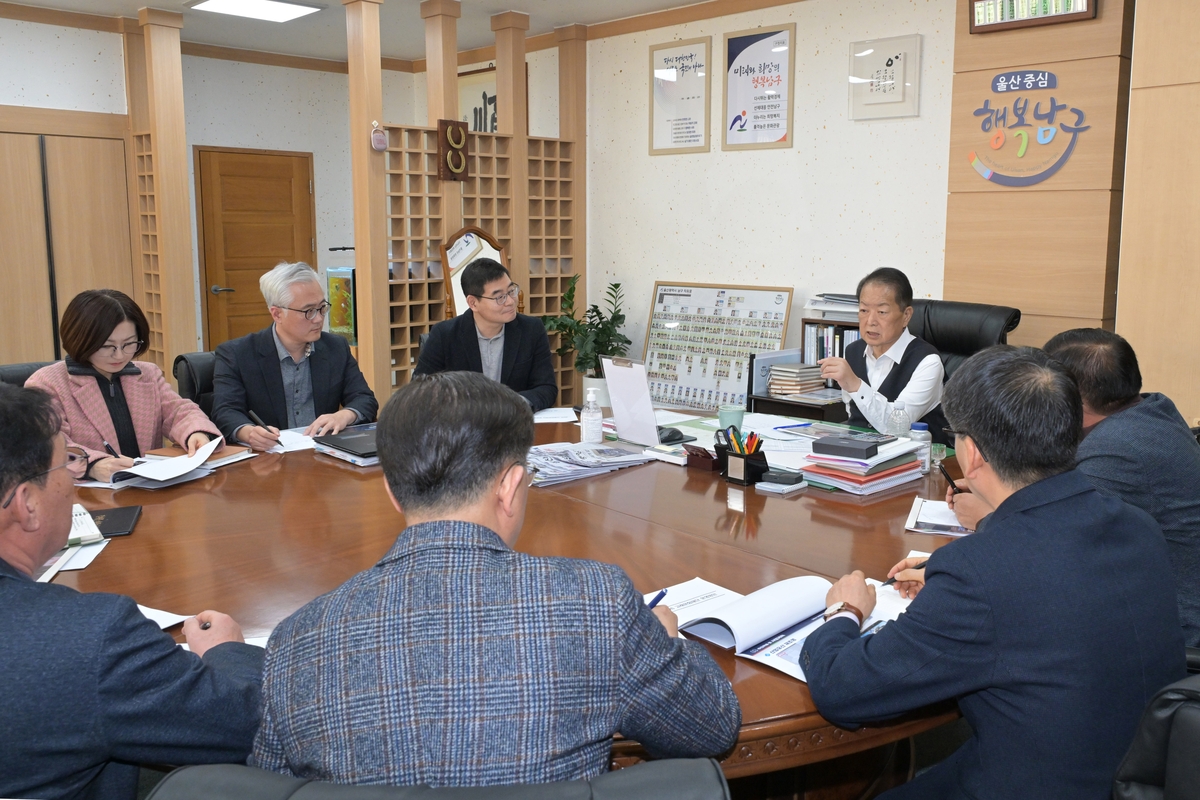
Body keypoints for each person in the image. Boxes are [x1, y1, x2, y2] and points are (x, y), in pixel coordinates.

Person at [251, 371, 740, 785]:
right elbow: (714, 728)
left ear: (392, 492)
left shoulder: (296, 640)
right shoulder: (596, 603)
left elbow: (271, 785)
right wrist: (665, 638)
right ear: (510, 486)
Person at [801, 346, 1185, 799]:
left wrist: (845, 610)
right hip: (1135, 771)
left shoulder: (983, 572)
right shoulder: (1137, 524)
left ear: (973, 454)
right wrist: (949, 575)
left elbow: (842, 689)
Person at [0, 383, 264, 800]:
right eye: (65, 463)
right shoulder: (90, 639)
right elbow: (248, 724)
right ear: (26, 505)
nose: (73, 477)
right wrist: (226, 651)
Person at [948, 329, 1200, 647]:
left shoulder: (1115, 449)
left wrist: (988, 515)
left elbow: (1056, 549)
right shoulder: (1151, 410)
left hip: (1172, 633)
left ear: (1071, 397)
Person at [26, 289, 222, 483]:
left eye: (129, 344)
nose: (119, 355)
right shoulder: (48, 383)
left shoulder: (147, 374)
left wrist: (195, 432)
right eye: (106, 346)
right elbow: (49, 443)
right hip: (86, 496)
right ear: (79, 339)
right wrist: (93, 465)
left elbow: (179, 411)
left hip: (147, 488)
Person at [210, 262, 379, 451]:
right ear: (277, 314)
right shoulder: (237, 354)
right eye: (308, 311)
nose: (318, 318)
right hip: (267, 461)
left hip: (322, 456)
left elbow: (365, 399)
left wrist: (344, 415)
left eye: (322, 307)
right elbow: (225, 411)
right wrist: (249, 433)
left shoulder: (335, 347)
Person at [817, 268, 949, 443]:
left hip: (916, 463)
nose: (870, 321)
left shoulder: (927, 362)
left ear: (906, 315)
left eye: (882, 312)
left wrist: (856, 385)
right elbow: (853, 414)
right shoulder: (852, 352)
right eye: (864, 310)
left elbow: (897, 427)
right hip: (860, 456)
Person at [413, 258, 558, 411]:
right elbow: (420, 390)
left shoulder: (531, 330)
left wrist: (514, 403)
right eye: (499, 297)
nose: (510, 301)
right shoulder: (445, 334)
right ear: (473, 303)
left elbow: (546, 387)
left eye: (511, 291)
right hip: (464, 426)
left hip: (514, 424)